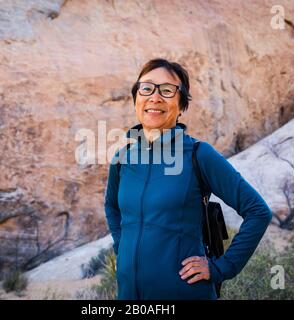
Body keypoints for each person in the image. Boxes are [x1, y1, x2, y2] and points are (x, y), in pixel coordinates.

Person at [104, 58, 272, 300]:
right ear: (136, 99)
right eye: (147, 88)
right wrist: (122, 248)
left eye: (168, 90)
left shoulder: (198, 154)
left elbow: (258, 211)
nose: (155, 97)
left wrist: (221, 268)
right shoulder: (122, 159)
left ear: (181, 106)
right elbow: (112, 207)